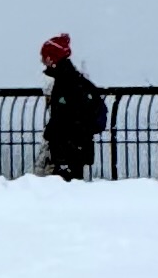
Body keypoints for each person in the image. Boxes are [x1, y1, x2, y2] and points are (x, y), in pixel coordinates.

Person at [38, 33, 107, 180]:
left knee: (64, 189)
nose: (42, 61)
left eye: (44, 57)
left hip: (68, 150)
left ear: (52, 58)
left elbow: (64, 117)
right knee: (72, 189)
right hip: (77, 148)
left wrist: (50, 134)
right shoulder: (73, 80)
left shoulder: (66, 82)